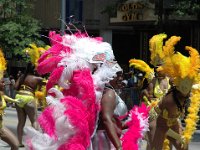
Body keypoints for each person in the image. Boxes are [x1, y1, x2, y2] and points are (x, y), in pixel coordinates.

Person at [92, 67, 128, 150]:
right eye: (117, 75)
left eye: (121, 75)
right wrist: (119, 147)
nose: (120, 78)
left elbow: (113, 120)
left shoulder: (108, 91)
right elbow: (106, 120)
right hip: (107, 140)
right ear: (107, 76)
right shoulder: (109, 93)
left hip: (110, 137)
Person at [14, 62, 43, 147]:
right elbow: (48, 83)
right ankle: (35, 144)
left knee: (21, 122)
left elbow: (15, 87)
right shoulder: (38, 78)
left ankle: (19, 143)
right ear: (34, 69)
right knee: (34, 121)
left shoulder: (21, 77)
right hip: (29, 97)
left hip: (18, 97)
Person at [0, 49, 19, 150]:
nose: (4, 83)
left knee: (15, 145)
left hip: (1, 126)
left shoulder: (1, 93)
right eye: (2, 82)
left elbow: (4, 97)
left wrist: (15, 101)